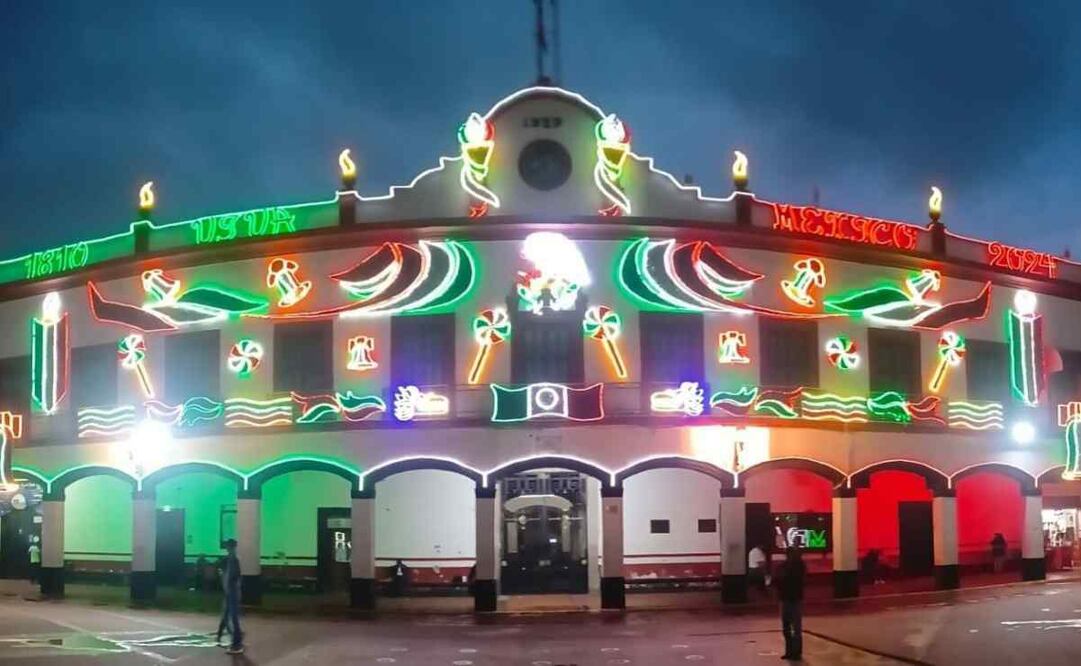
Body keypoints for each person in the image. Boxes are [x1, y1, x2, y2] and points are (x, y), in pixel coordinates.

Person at [775, 546, 806, 661]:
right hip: (795, 598)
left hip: (786, 598)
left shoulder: (784, 566)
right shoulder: (800, 566)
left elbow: (777, 580)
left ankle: (790, 651)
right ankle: (796, 652)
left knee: (787, 627)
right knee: (795, 628)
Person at [216, 539, 244, 654]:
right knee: (227, 615)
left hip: (232, 592)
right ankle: (223, 634)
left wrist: (230, 585)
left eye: (228, 546)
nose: (227, 548)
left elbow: (234, 577)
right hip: (230, 592)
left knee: (233, 619)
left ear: (231, 547)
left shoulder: (233, 560)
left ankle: (237, 644)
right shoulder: (229, 559)